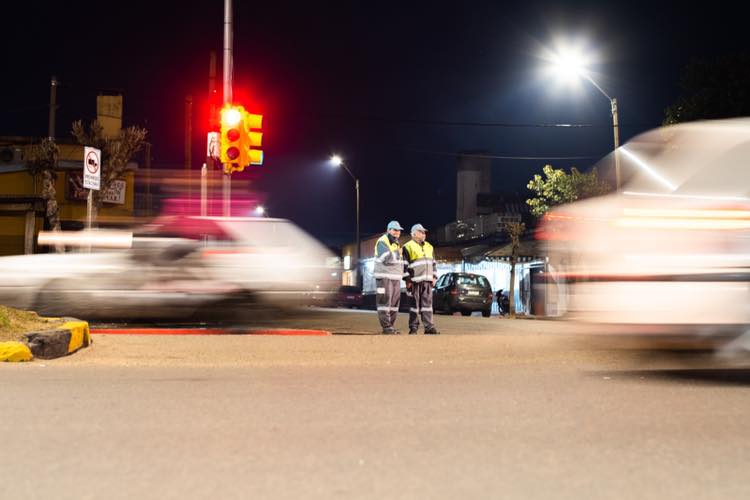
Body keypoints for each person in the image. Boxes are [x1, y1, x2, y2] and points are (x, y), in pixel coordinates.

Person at [403, 223, 439, 334]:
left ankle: (429, 327)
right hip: (414, 281)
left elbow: (433, 264)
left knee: (427, 306)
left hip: (428, 281)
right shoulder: (407, 246)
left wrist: (434, 277)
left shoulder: (429, 246)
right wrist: (407, 280)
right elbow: (404, 265)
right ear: (414, 234)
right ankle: (413, 328)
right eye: (421, 232)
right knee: (414, 306)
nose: (424, 234)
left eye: (424, 232)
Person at [374, 220, 406, 334]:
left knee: (394, 304)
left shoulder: (396, 243)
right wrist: (398, 253)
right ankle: (386, 327)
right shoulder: (383, 241)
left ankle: (390, 327)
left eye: (399, 231)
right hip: (384, 278)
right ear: (388, 230)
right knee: (384, 302)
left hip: (395, 278)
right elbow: (385, 258)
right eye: (395, 230)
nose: (397, 232)